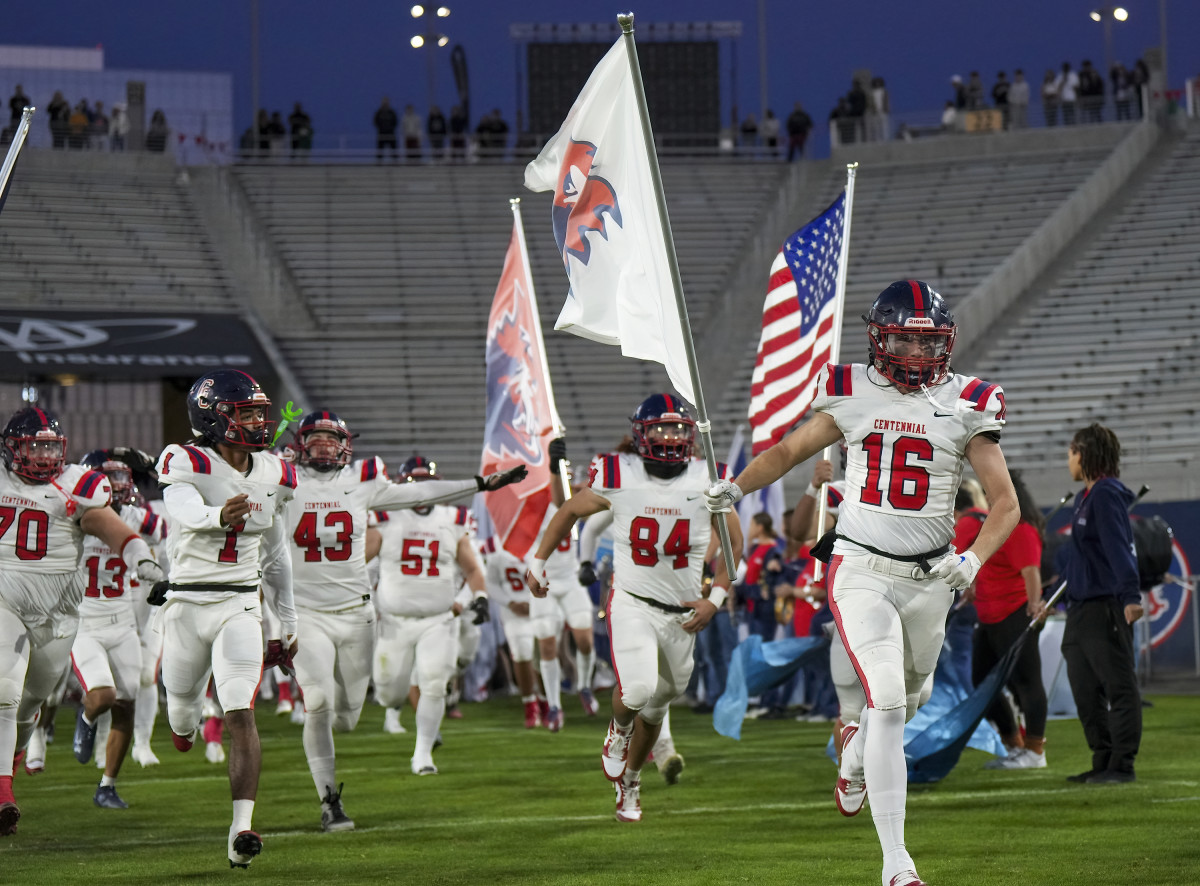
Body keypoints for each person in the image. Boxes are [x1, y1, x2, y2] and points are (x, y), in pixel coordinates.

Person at [705, 280, 1019, 886]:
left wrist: (973, 560)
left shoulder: (969, 401)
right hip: (861, 569)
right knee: (888, 700)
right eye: (904, 339)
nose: (917, 354)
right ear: (879, 339)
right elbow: (789, 451)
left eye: (928, 343)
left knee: (914, 696)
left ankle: (853, 756)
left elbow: (1004, 503)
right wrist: (737, 488)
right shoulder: (848, 390)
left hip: (930, 578)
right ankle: (895, 861)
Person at [283, 411, 521, 828]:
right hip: (307, 612)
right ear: (300, 444)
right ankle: (329, 801)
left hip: (356, 613)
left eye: (330, 439)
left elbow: (422, 492)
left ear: (345, 445)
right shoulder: (280, 477)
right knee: (318, 703)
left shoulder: (364, 480)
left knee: (348, 716)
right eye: (314, 438)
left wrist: (480, 484)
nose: (323, 446)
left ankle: (368, 725)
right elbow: (238, 471)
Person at [528, 394, 742, 823]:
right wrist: (537, 560)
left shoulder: (709, 478)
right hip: (632, 601)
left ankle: (630, 783)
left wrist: (714, 600)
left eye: (677, 429)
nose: (669, 438)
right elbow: (570, 510)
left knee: (663, 699)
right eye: (659, 429)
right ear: (640, 436)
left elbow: (734, 546)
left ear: (690, 436)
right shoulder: (618, 472)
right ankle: (619, 731)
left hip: (682, 613)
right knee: (638, 690)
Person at [152, 369, 299, 867]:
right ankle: (185, 727)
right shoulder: (184, 458)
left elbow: (277, 554)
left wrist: (288, 619)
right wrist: (219, 516)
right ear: (213, 417)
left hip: (239, 602)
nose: (259, 421)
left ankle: (242, 831)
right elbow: (183, 508)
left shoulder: (274, 471)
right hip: (188, 604)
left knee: (240, 710)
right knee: (182, 715)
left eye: (260, 411)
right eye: (247, 413)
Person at [0, 407, 164, 837]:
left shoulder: (78, 486)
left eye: (50, 445)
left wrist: (140, 558)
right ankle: (3, 794)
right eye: (33, 445)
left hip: (60, 616)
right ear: (12, 448)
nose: (42, 454)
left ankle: (16, 761)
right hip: (8, 601)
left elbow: (109, 524)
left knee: (30, 706)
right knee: (5, 691)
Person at [371, 455, 493, 776]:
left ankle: (423, 754)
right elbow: (361, 563)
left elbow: (472, 567)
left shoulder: (453, 518)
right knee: (388, 692)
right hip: (395, 619)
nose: (421, 489)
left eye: (427, 481)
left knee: (435, 683)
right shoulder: (385, 516)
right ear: (401, 485)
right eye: (415, 481)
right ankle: (394, 711)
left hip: (438, 618)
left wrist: (477, 597)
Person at [69, 449, 169, 808]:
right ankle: (85, 717)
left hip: (123, 621)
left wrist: (158, 473)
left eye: (123, 477)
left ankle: (107, 785)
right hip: (85, 623)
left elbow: (172, 529)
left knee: (127, 704)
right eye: (109, 478)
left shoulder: (135, 515)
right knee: (103, 697)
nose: (118, 485)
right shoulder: (72, 517)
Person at [1060, 424, 1143, 785]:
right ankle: (1103, 758)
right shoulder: (1085, 497)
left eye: (1072, 453)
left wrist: (1130, 596)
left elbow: (1118, 548)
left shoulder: (1107, 494)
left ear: (1086, 454)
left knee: (1118, 686)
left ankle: (1122, 765)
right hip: (1079, 610)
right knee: (1084, 688)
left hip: (1105, 607)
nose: (1069, 460)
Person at [973, 469, 1048, 770]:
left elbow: (1031, 571)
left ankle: (1035, 750)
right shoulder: (997, 526)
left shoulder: (1020, 528)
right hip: (989, 616)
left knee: (1027, 683)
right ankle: (1014, 742)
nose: (988, 497)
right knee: (981, 681)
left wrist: (1034, 604)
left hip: (1013, 613)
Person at [530, 439, 599, 732]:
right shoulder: (533, 504)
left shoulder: (576, 498)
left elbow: (569, 498)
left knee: (584, 640)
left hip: (569, 578)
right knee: (547, 644)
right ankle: (555, 706)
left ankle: (584, 686)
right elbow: (558, 500)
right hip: (544, 578)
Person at [374, 98, 398, 163]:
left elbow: (395, 122)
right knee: (380, 150)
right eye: (384, 102)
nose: (385, 104)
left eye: (386, 102)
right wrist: (382, 128)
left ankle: (395, 163)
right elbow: (376, 122)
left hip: (391, 133)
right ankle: (379, 163)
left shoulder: (392, 113)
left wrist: (390, 128)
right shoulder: (379, 113)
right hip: (381, 133)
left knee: (394, 149)